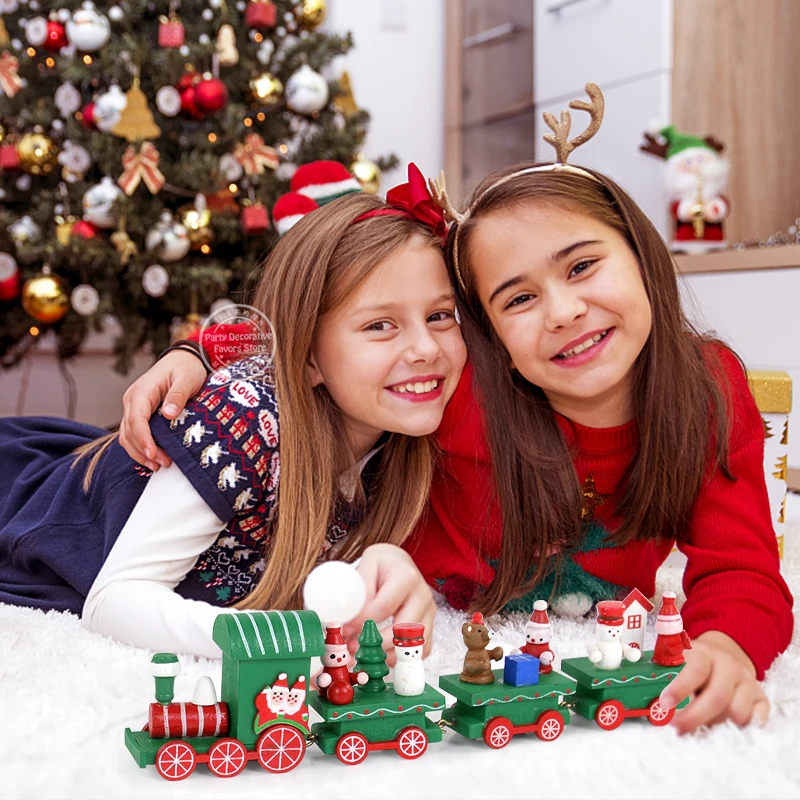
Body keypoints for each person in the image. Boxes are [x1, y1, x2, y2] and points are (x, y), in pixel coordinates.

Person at [118, 86, 792, 732]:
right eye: (517, 299)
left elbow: (741, 564)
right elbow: (333, 323)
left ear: (643, 254)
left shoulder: (707, 388)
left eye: (583, 266)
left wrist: (730, 646)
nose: (563, 312)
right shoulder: (463, 378)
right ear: (486, 330)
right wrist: (199, 355)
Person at [0, 173, 466, 660]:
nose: (425, 348)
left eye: (440, 315)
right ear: (306, 355)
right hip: (25, 494)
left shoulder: (398, 427)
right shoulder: (242, 420)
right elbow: (115, 600)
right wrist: (290, 644)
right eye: (380, 325)